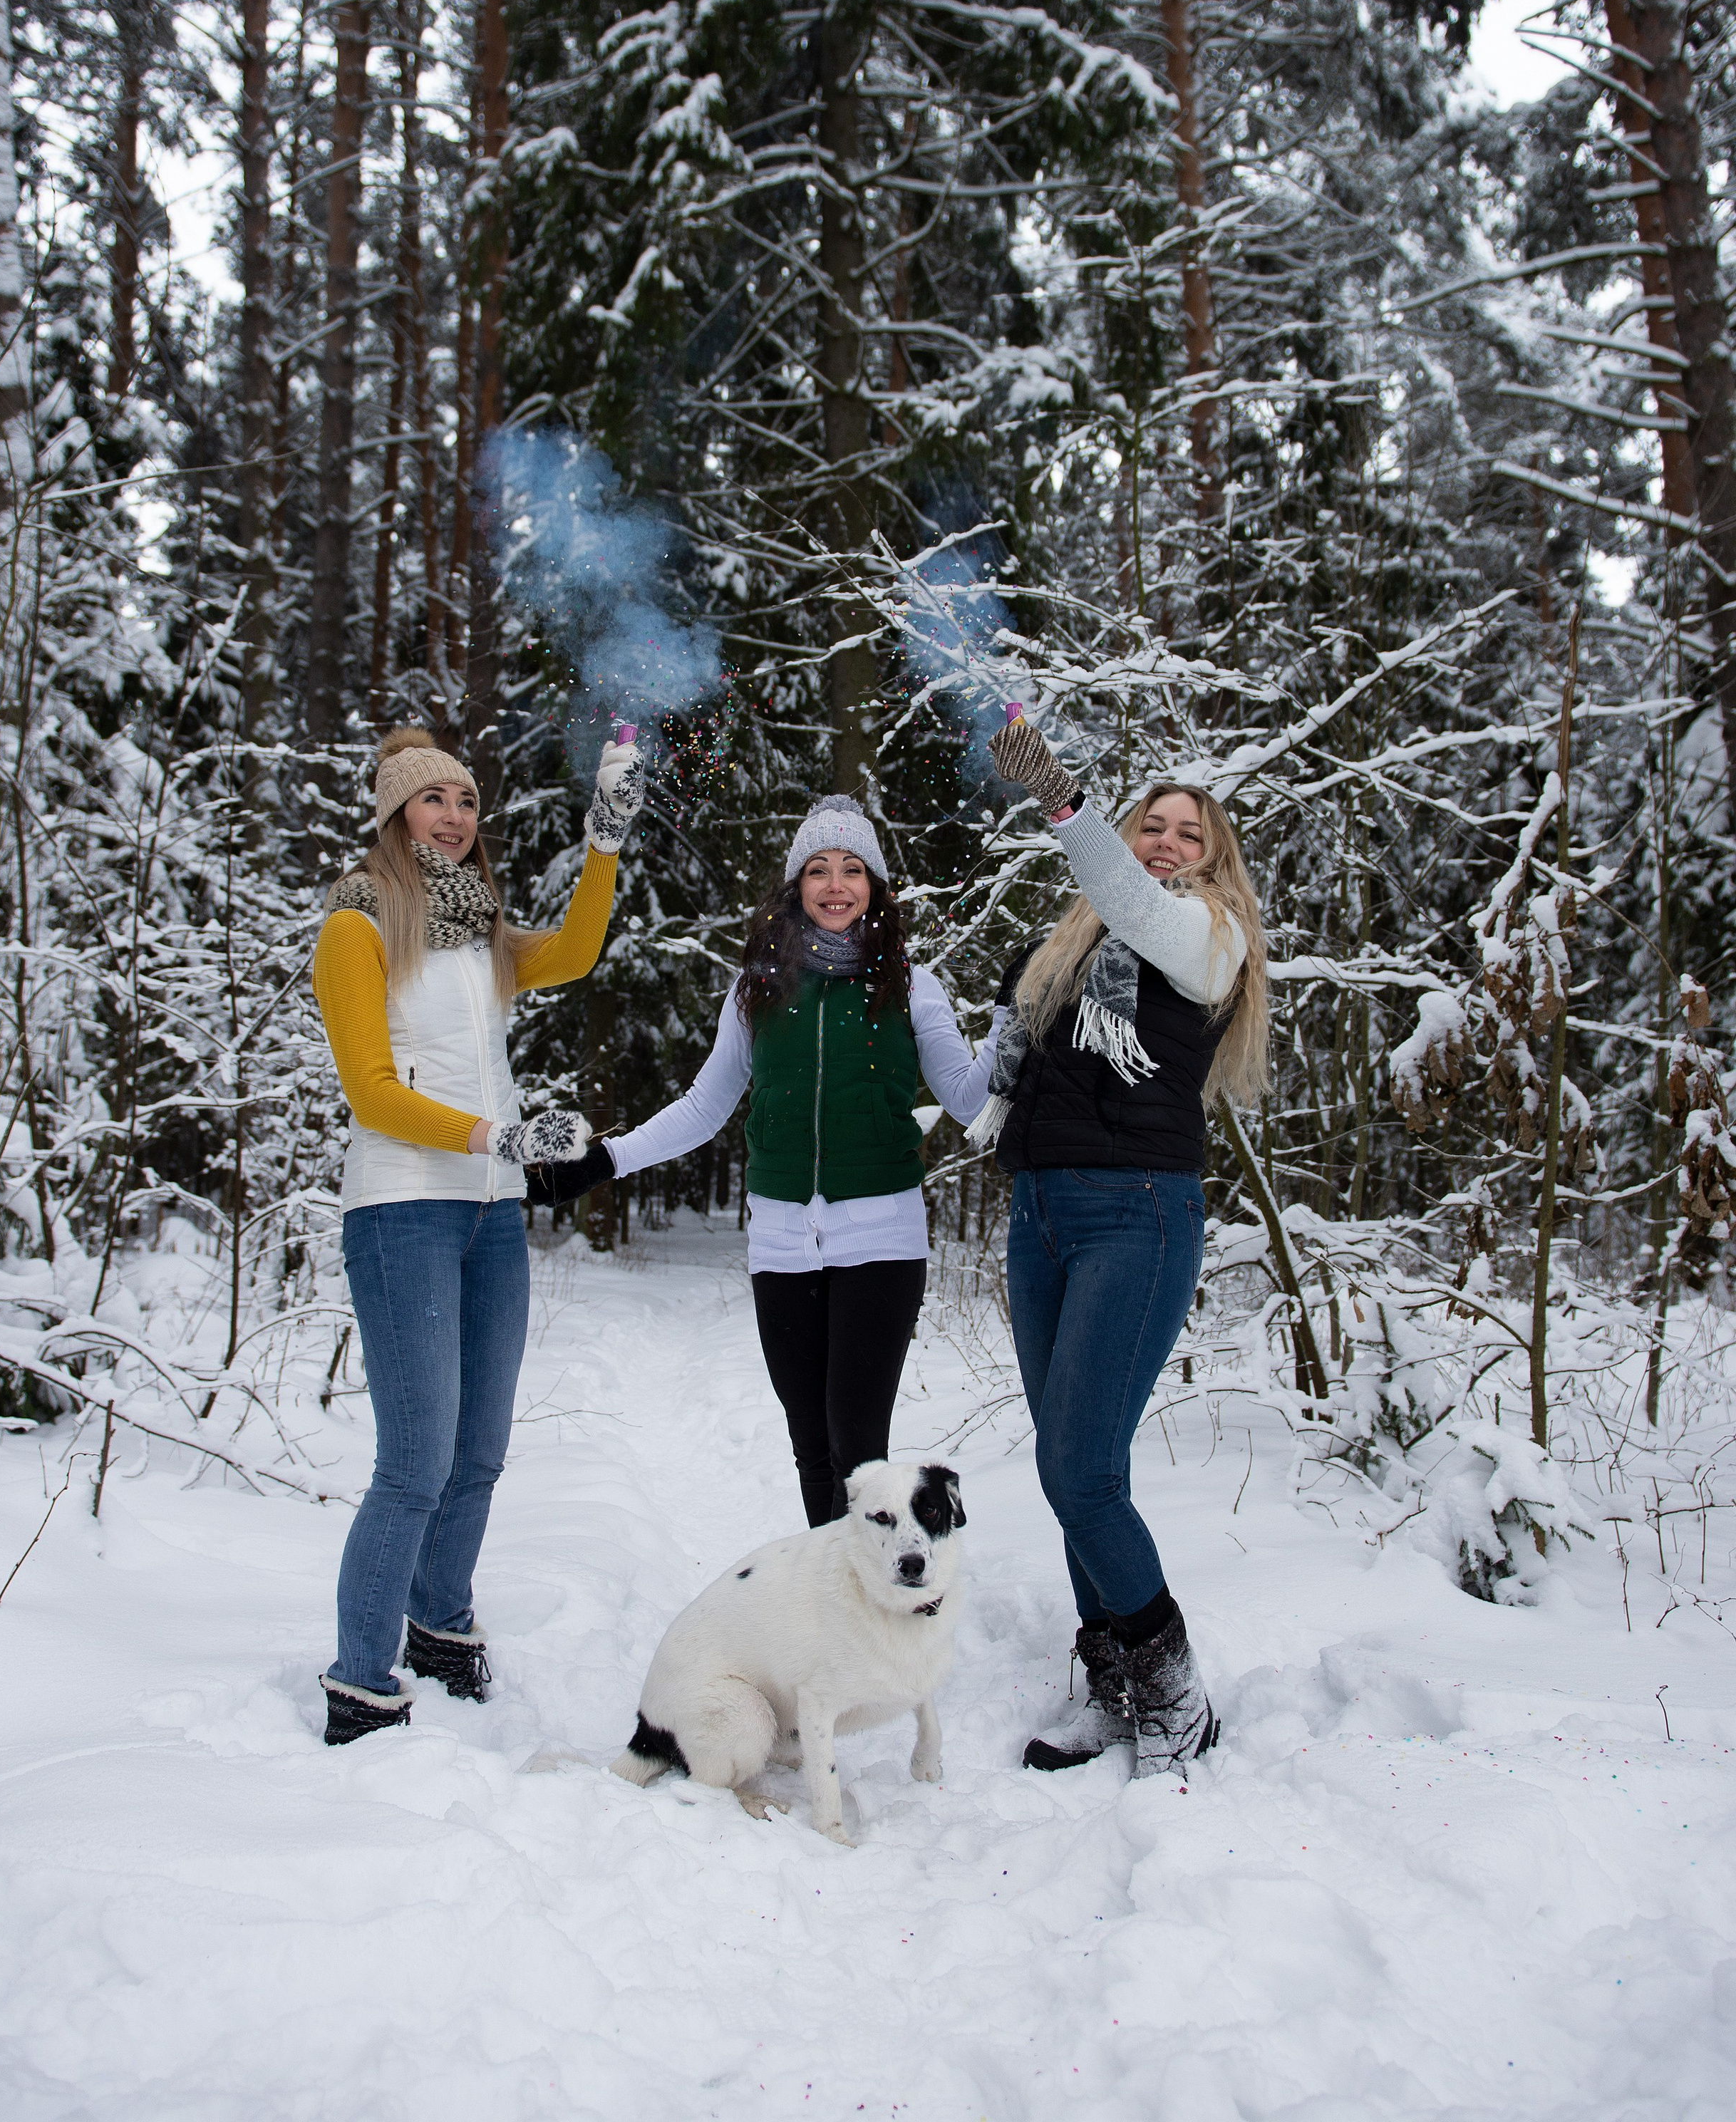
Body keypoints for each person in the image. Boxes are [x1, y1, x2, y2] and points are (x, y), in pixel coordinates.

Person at [310, 723, 644, 1744]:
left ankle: (440, 1623)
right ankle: (361, 1679)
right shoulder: (357, 930)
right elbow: (372, 1093)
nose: (454, 818)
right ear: (393, 815)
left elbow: (577, 952)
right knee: (414, 1459)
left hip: (492, 1214)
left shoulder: (479, 935)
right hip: (403, 1205)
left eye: (465, 802)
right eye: (432, 801)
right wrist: (499, 1134)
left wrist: (605, 842)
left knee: (480, 1450)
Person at [534, 795, 993, 1526]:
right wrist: (604, 1160)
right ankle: (833, 1589)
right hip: (781, 1244)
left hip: (881, 1236)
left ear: (874, 886)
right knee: (810, 1442)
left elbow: (969, 1099)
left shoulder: (911, 984)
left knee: (856, 1441)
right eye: (818, 869)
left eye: (852, 869)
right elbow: (703, 1107)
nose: (835, 884)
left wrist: (1009, 1023)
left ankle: (885, 1596)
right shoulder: (757, 987)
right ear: (796, 885)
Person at [979, 715, 1270, 1777]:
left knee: (1080, 1468)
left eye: (1188, 832)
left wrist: (1063, 798)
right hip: (1043, 1211)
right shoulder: (1071, 950)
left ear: (1214, 855)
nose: (1165, 842)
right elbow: (1000, 1075)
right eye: (1152, 826)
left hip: (1137, 1215)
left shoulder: (1207, 938)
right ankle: (1117, 1689)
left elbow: (1142, 909)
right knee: (1075, 1474)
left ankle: (1175, 1695)